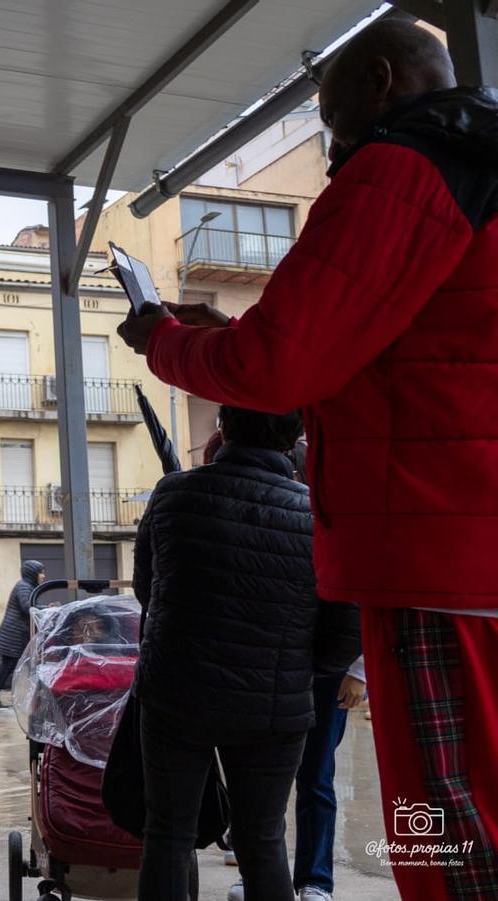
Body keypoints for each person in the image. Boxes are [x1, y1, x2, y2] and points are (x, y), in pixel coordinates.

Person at [117, 19, 498, 899]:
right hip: (459, 553)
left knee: (439, 820)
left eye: (331, 123)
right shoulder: (481, 164)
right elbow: (391, 348)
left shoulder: (404, 165)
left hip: (434, 554)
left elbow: (277, 366)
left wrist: (163, 341)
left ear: (378, 81)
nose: (332, 154)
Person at [132, 406, 360, 901]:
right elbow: (347, 628)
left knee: (168, 834)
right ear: (294, 436)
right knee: (262, 838)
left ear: (223, 427)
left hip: (176, 695)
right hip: (274, 707)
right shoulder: (317, 515)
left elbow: (147, 591)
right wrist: (294, 665)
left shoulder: (173, 495)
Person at [0, 560, 46, 709]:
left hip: (16, 634)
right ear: (32, 573)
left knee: (13, 667)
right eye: (41, 572)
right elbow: (27, 607)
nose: (43, 576)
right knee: (9, 667)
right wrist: (45, 609)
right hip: (13, 635)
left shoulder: (27, 586)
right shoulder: (24, 587)